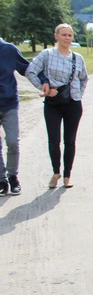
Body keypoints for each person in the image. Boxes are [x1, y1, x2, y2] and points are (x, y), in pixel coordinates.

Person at [26, 23, 89, 189]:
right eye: (63, 35)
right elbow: (30, 71)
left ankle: (67, 175)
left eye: (70, 35)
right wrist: (44, 88)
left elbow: (84, 78)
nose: (67, 38)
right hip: (53, 103)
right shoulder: (47, 55)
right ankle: (56, 172)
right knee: (54, 140)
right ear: (56, 36)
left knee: (70, 140)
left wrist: (78, 94)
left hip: (73, 103)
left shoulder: (78, 58)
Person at [0, 37, 31, 196]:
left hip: (9, 104)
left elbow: (27, 69)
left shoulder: (9, 49)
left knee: (12, 142)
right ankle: (1, 180)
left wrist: (46, 82)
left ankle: (13, 177)